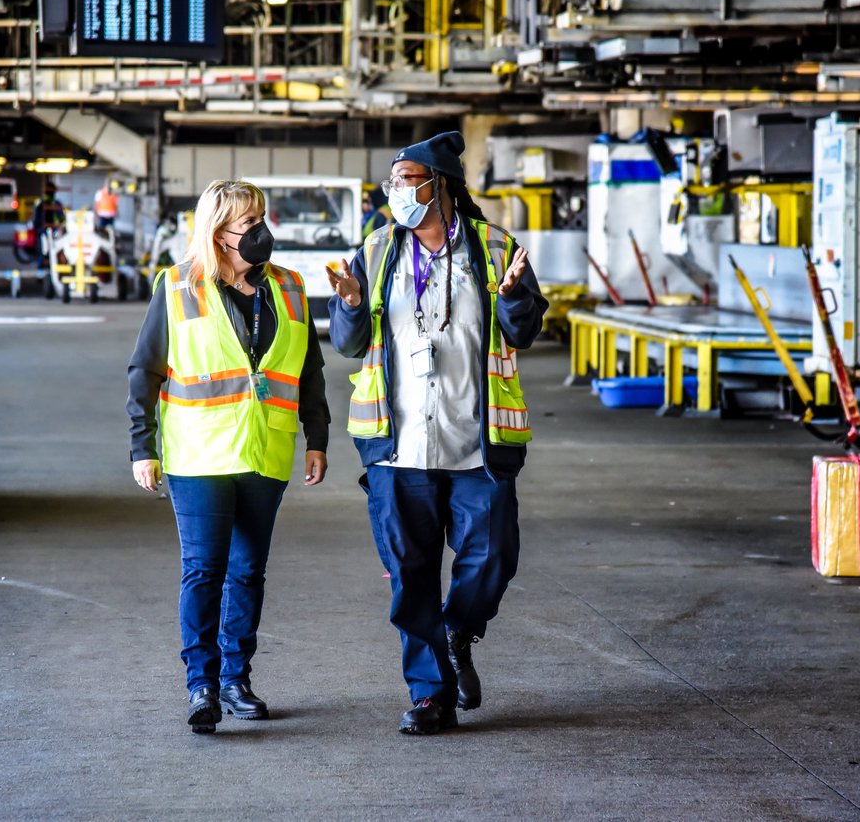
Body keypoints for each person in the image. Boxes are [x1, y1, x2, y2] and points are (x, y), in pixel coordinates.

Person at [325, 132, 548, 736]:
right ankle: (430, 697)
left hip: (478, 443)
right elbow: (348, 344)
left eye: (407, 180)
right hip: (398, 447)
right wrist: (346, 306)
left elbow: (523, 332)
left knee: (495, 556)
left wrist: (515, 301)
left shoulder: (497, 248)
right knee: (410, 575)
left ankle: (459, 628)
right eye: (393, 182)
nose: (396, 191)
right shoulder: (374, 252)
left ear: (440, 185)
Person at [127, 179, 330, 735]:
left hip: (266, 450)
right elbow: (143, 371)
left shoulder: (288, 287)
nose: (262, 232)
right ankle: (202, 685)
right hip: (199, 455)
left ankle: (237, 681)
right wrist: (142, 446)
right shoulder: (177, 287)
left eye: (263, 218)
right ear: (217, 234)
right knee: (204, 569)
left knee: (247, 571)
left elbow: (308, 370)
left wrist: (318, 437)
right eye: (248, 222)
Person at [31, 182, 66, 270]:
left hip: (51, 231)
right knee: (44, 252)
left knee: (47, 252)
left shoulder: (55, 203)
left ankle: (44, 272)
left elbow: (62, 218)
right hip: (44, 232)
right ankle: (42, 271)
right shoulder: (43, 204)